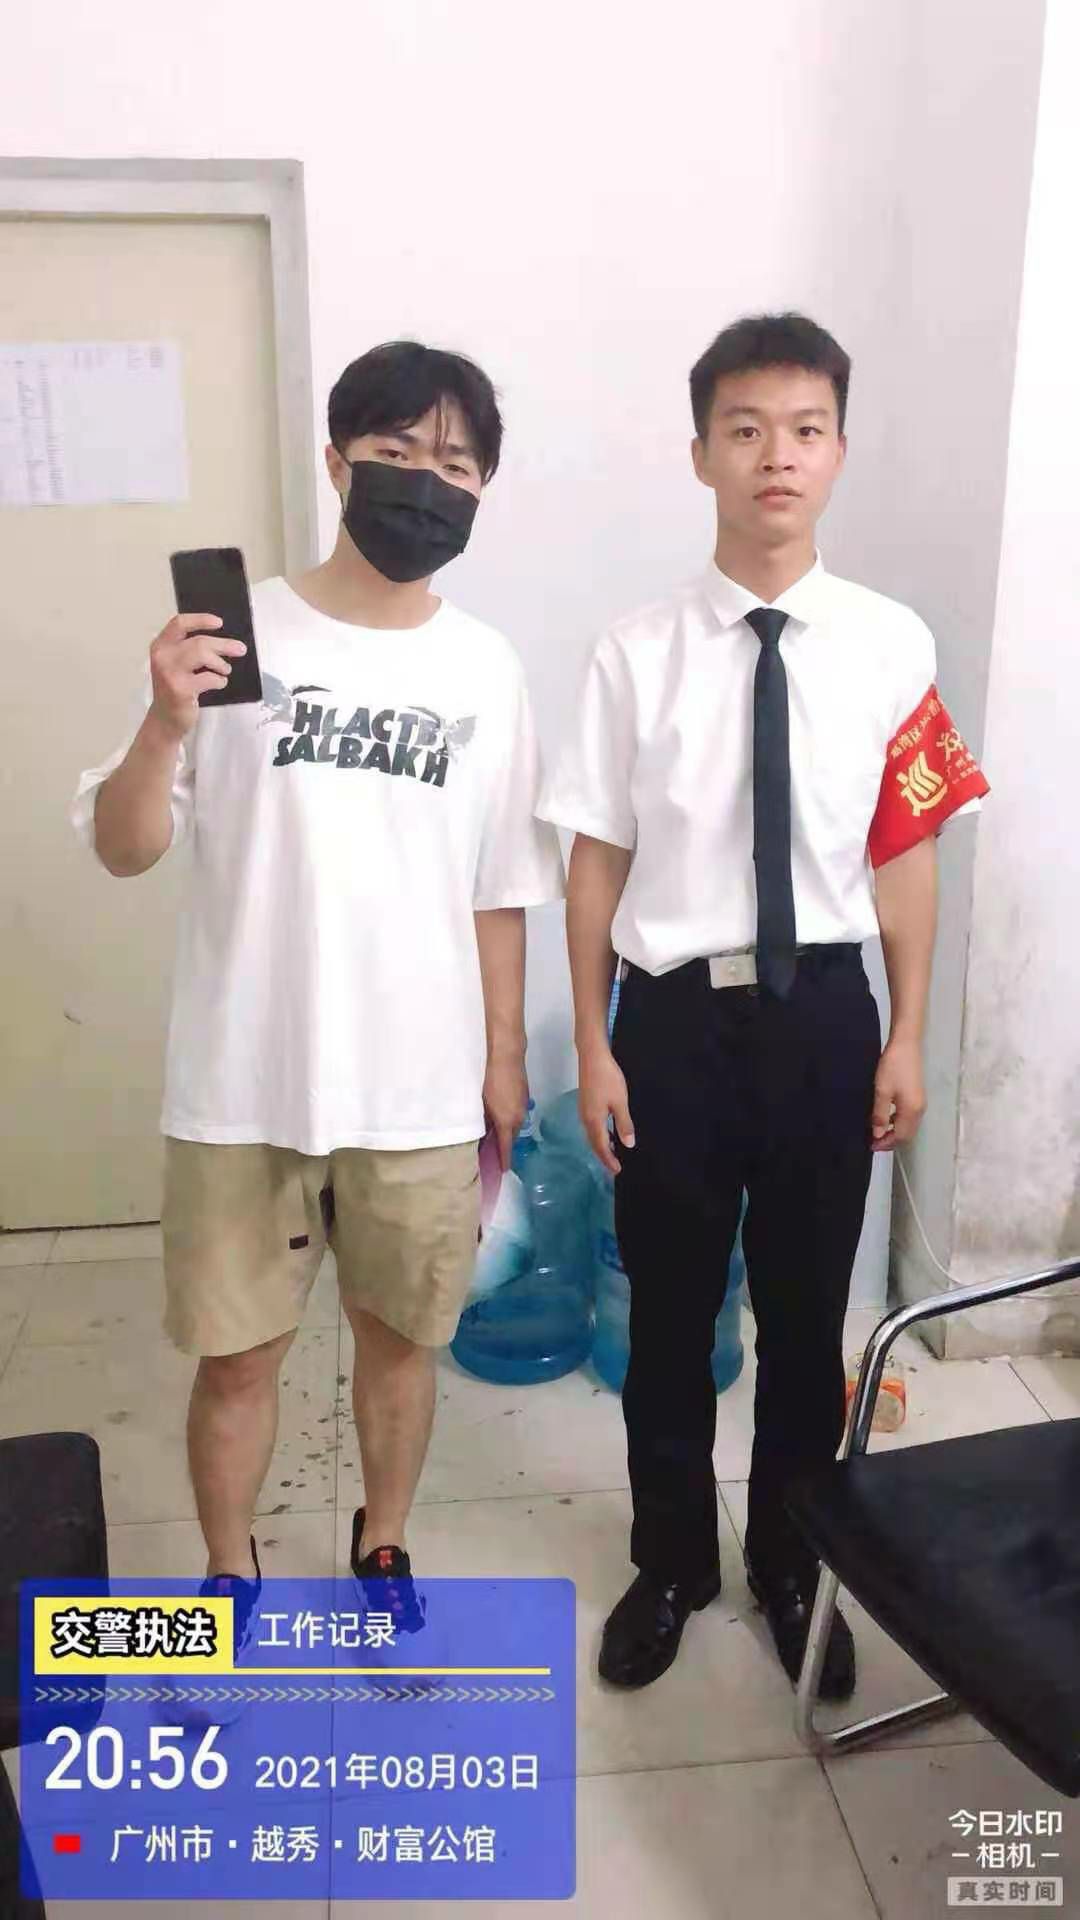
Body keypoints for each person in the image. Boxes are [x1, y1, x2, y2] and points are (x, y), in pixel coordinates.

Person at [73, 340, 564, 1636]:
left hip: (417, 1088)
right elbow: (124, 846)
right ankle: (228, 1568)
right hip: (245, 1082)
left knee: (402, 1347)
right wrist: (164, 724)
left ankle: (382, 1541)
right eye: (397, 452)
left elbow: (500, 884)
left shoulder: (485, 668)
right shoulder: (233, 636)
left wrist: (502, 1057)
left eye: (455, 463)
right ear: (338, 461)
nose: (425, 481)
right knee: (238, 1358)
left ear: (484, 488)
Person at [539, 312, 987, 1698]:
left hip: (825, 1021)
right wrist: (595, 1041)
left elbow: (905, 854)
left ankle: (795, 1560)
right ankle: (672, 1559)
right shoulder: (634, 651)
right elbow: (595, 859)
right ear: (701, 455)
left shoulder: (892, 642)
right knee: (670, 1316)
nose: (775, 456)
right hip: (674, 1023)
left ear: (839, 451)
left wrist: (906, 1032)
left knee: (805, 1321)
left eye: (804, 429)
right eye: (744, 430)